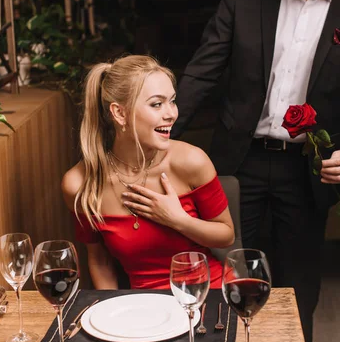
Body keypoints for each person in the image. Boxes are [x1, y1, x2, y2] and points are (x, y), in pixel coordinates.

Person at [172, 0, 340, 342]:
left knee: (297, 291)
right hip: (238, 162)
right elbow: (204, 69)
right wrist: (161, 135)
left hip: (307, 170)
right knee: (225, 280)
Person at [62, 55, 235, 291]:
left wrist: (178, 220)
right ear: (119, 113)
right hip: (144, 309)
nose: (172, 113)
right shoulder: (80, 184)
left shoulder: (191, 161)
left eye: (172, 101)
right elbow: (99, 260)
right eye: (157, 104)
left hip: (210, 293)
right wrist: (113, 312)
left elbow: (226, 235)